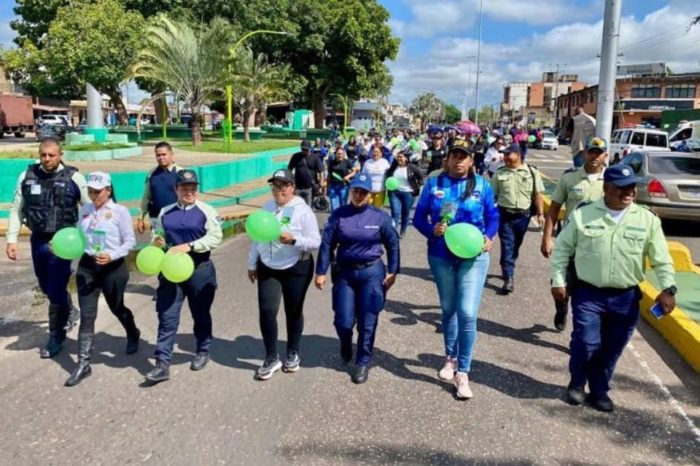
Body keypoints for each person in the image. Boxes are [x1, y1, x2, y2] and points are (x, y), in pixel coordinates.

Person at [550, 164, 676, 412]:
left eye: (631, 187)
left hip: (625, 297)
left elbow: (662, 258)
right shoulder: (582, 214)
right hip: (589, 293)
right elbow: (562, 249)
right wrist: (558, 280)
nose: (627, 192)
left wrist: (668, 288)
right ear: (606, 188)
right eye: (621, 188)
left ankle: (600, 390)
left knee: (612, 347)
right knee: (586, 342)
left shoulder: (646, 219)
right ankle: (577, 382)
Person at [413, 140, 499, 399]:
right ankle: (449, 357)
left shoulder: (482, 185)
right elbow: (418, 218)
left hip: (474, 257)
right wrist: (432, 230)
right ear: (447, 159)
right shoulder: (434, 185)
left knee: (468, 312)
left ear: (472, 161)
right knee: (449, 308)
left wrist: (490, 236)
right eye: (455, 156)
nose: (459, 161)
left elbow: (493, 216)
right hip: (441, 256)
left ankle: (463, 371)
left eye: (465, 157)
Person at [5, 138, 88, 358]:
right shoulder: (27, 177)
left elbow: (89, 209)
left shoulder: (74, 178)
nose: (47, 159)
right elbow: (16, 210)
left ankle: (56, 335)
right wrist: (11, 239)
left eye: (52, 155)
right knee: (45, 285)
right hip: (38, 240)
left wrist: (85, 238)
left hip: (64, 242)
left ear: (60, 155)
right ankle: (69, 308)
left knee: (55, 285)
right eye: (43, 155)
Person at [314, 173, 400, 384]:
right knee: (343, 320)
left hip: (372, 273)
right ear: (350, 191)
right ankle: (345, 342)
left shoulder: (380, 217)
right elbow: (327, 244)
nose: (359, 195)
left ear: (370, 195)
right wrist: (321, 271)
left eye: (364, 192)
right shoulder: (339, 215)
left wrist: (393, 271)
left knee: (367, 321)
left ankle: (363, 361)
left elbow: (393, 244)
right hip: (345, 273)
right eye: (356, 191)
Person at [145, 169, 223, 384]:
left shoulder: (207, 210)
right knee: (167, 316)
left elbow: (216, 237)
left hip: (199, 269)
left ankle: (203, 350)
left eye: (192, 188)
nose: (189, 192)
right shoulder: (165, 211)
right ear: (175, 189)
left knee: (200, 313)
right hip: (171, 270)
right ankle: (162, 363)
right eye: (184, 188)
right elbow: (157, 233)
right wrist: (156, 241)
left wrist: (190, 246)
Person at [65, 172, 139, 386]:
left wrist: (113, 255)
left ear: (108, 190)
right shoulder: (85, 210)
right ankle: (83, 364)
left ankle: (132, 332)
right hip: (88, 267)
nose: (93, 195)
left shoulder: (120, 212)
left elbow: (130, 241)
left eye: (97, 191)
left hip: (113, 267)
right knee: (88, 315)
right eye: (90, 191)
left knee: (117, 307)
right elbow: (79, 237)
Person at [247, 169, 321, 380]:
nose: (278, 190)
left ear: (292, 187)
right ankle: (271, 357)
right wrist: (252, 263)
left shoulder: (303, 211)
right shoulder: (267, 207)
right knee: (267, 311)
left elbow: (315, 241)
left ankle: (292, 352)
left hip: (296, 267)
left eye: (282, 186)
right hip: (268, 267)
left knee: (293, 311)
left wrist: (294, 240)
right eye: (274, 186)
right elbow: (257, 236)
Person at [541, 137, 607, 331]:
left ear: (605, 155)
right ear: (584, 153)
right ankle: (561, 309)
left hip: (597, 244)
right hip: (569, 242)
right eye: (591, 151)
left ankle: (580, 333)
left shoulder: (611, 180)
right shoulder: (569, 178)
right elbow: (553, 210)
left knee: (587, 292)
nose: (595, 156)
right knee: (559, 287)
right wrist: (547, 238)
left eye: (599, 152)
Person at [491, 143, 545, 294]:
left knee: (516, 244)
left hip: (524, 216)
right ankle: (509, 277)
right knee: (507, 242)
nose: (506, 157)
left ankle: (506, 263)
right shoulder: (500, 173)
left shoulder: (532, 172)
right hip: (504, 214)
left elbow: (538, 195)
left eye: (509, 154)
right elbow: (490, 196)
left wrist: (540, 214)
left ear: (518, 155)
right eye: (505, 154)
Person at [137, 141, 184, 234]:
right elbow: (146, 197)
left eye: (164, 154)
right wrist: (140, 218)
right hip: (156, 221)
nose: (161, 157)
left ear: (171, 154)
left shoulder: (181, 173)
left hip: (177, 220)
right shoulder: (152, 174)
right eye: (158, 155)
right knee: (157, 247)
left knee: (177, 248)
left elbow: (189, 197)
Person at [386, 147, 423, 237]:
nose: (399, 159)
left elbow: (421, 179)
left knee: (405, 213)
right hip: (394, 193)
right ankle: (392, 232)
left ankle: (403, 231)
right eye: (398, 157)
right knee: (395, 212)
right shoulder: (393, 167)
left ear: (406, 158)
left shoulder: (413, 168)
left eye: (401, 157)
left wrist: (416, 186)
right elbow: (388, 176)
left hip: (408, 193)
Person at [288, 139, 324, 206]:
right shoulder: (295, 156)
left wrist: (321, 185)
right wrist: (291, 182)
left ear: (310, 148)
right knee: (297, 207)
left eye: (306, 150)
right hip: (297, 188)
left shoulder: (315, 158)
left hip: (310, 188)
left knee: (308, 208)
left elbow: (321, 171)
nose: (304, 151)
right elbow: (289, 170)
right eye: (303, 149)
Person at [327, 147, 358, 212]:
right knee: (334, 207)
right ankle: (335, 221)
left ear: (344, 154)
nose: (340, 155)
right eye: (338, 154)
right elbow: (329, 175)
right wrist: (327, 187)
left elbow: (354, 171)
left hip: (344, 187)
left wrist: (348, 176)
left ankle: (342, 221)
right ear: (335, 154)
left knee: (343, 205)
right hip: (333, 187)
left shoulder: (347, 162)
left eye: (342, 154)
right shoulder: (331, 163)